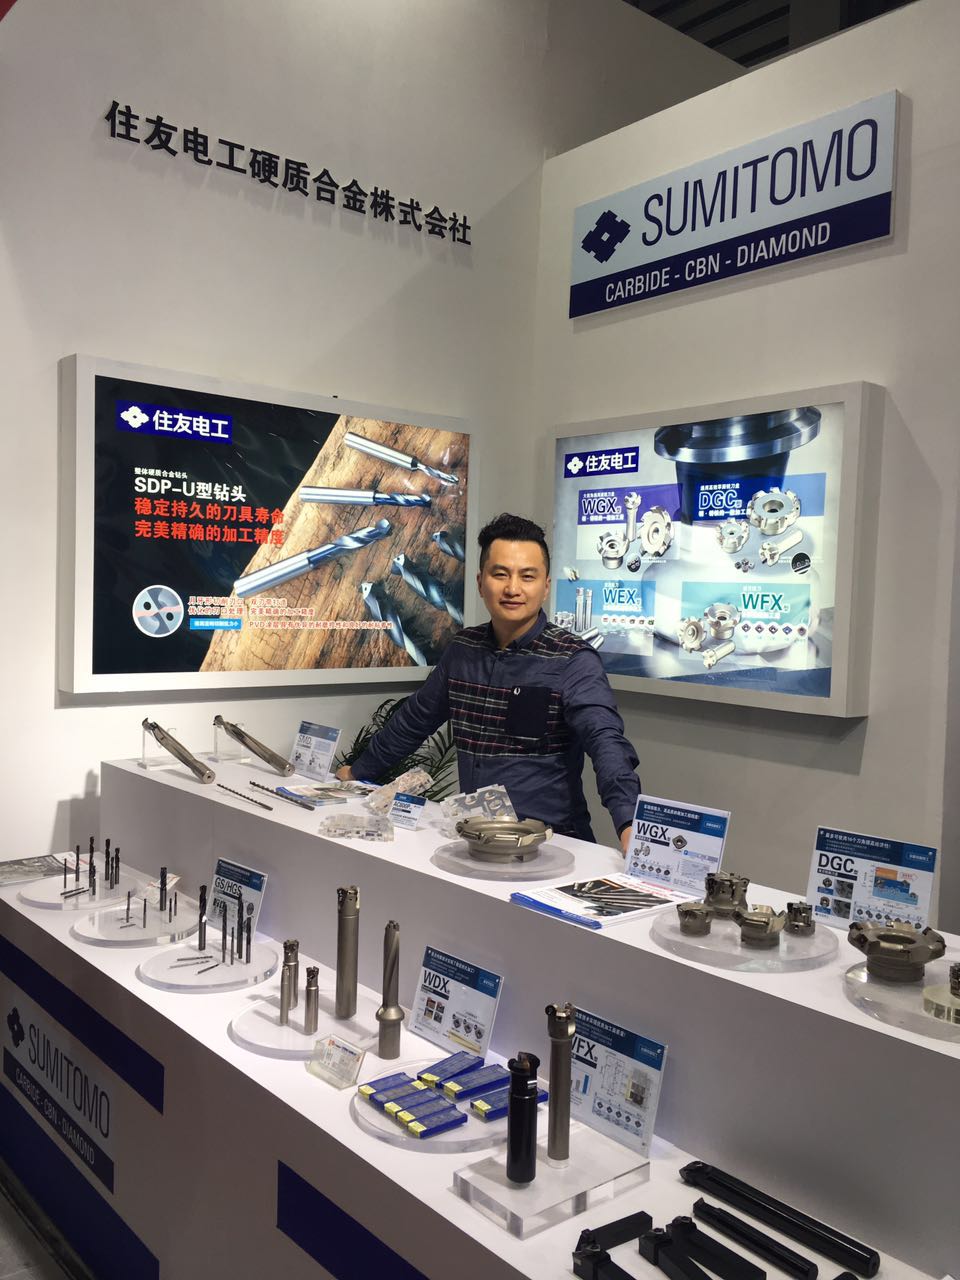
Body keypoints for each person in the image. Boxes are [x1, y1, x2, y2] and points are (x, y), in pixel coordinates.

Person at [338, 513, 641, 849]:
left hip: (550, 846)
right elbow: (413, 721)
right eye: (501, 574)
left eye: (527, 576)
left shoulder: (573, 660)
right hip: (477, 839)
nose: (513, 588)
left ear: (545, 586)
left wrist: (629, 825)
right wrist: (357, 772)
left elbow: (606, 742)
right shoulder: (463, 651)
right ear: (481, 583)